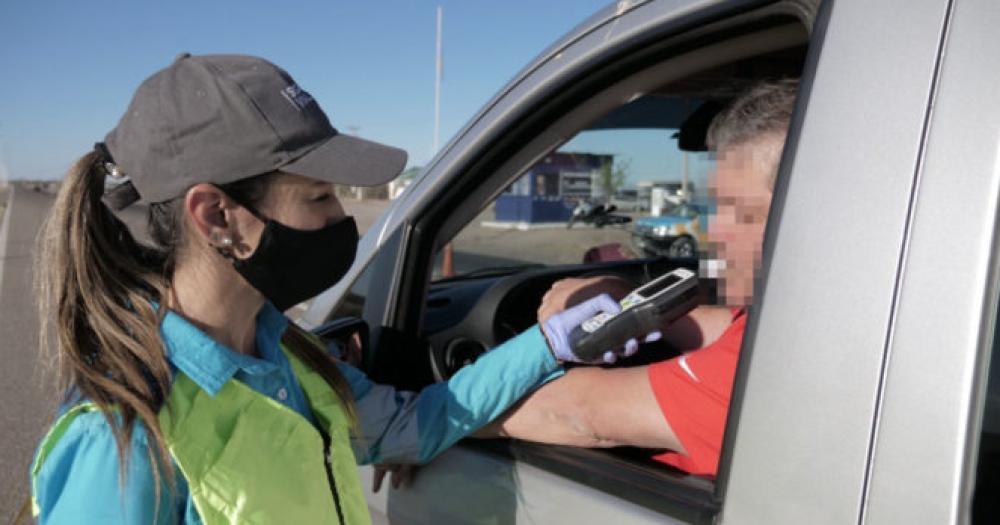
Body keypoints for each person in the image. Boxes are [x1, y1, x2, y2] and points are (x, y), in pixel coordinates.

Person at [27, 53, 642, 524]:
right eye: (319, 196)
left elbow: (418, 424)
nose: (341, 218)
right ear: (216, 217)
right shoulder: (126, 435)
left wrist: (553, 339)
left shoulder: (291, 360)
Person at [479, 79, 798, 478]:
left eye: (742, 212)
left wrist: (421, 425)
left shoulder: (773, 369)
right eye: (716, 206)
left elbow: (577, 413)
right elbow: (726, 327)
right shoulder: (798, 322)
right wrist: (628, 302)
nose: (715, 231)